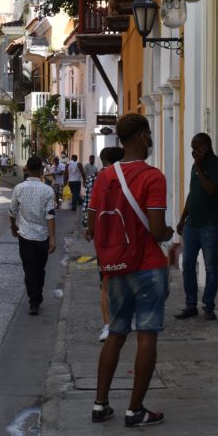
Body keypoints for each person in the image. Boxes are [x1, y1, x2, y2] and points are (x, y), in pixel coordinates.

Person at [85, 114, 173, 427]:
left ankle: (100, 404)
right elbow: (157, 227)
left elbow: (92, 226)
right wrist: (168, 234)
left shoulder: (106, 176)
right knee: (146, 336)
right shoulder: (153, 177)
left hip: (116, 268)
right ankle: (135, 410)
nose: (151, 140)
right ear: (139, 136)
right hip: (148, 266)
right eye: (148, 134)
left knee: (116, 335)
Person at [175, 133, 218, 321]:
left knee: (211, 266)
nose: (193, 152)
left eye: (195, 148)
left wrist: (198, 165)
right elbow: (192, 193)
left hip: (210, 224)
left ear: (205, 146)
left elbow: (212, 190)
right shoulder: (195, 167)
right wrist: (182, 219)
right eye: (192, 148)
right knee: (187, 264)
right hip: (192, 224)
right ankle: (190, 305)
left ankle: (209, 305)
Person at [84, 146, 125, 342]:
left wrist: (89, 228)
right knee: (126, 278)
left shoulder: (97, 178)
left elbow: (90, 206)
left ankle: (108, 325)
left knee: (106, 282)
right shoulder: (130, 178)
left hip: (105, 237)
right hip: (126, 236)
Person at [9, 156, 58, 315]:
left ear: (27, 170)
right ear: (42, 171)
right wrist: (52, 238)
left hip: (25, 238)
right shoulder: (48, 190)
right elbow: (50, 215)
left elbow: (12, 212)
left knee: (29, 270)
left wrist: (13, 227)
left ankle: (34, 301)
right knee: (40, 269)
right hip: (42, 237)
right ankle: (37, 296)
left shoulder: (19, 188)